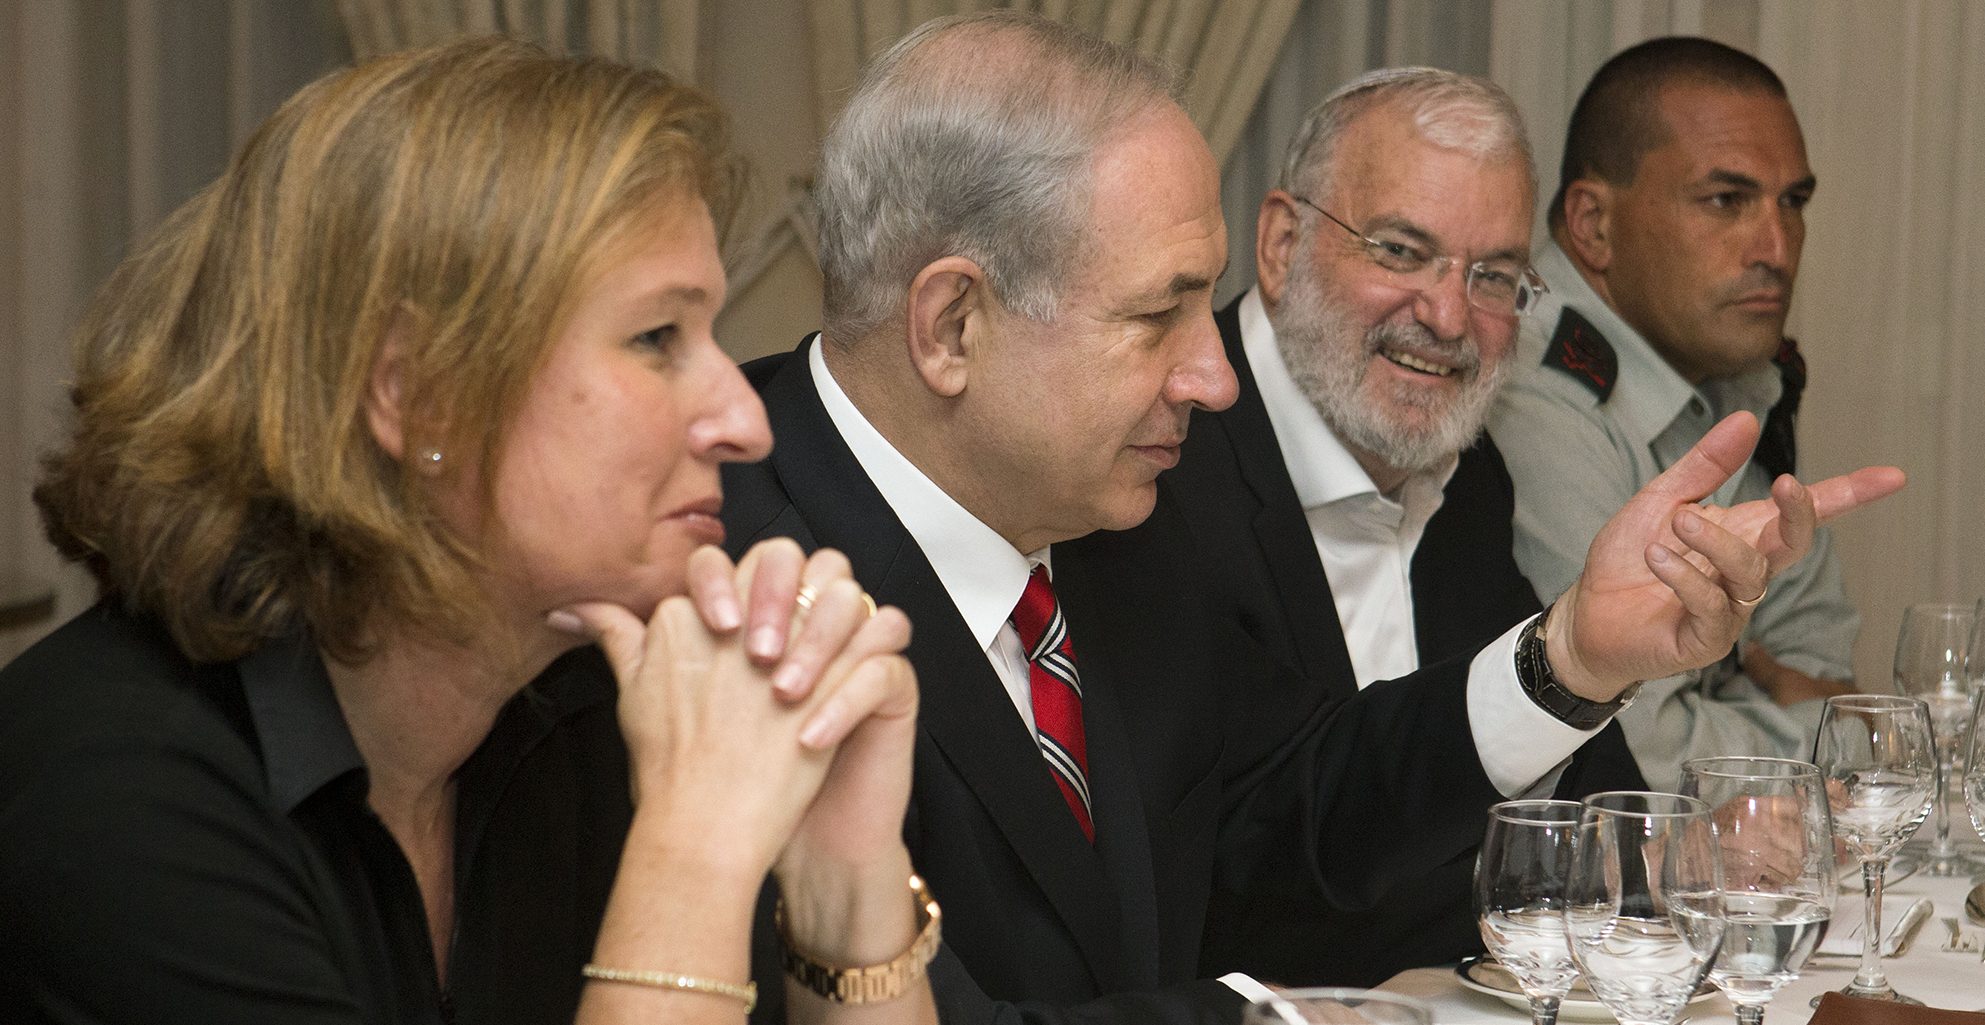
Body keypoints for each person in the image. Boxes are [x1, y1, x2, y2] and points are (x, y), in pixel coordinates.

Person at [719, 11, 1900, 1023]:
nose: (1214, 375)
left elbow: (1289, 810)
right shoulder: (722, 583)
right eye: (1157, 316)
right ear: (949, 328)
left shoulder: (1108, 519)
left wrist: (1574, 652)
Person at [0, 39, 934, 1025]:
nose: (744, 421)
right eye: (657, 337)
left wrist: (843, 879)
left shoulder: (594, 706)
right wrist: (697, 839)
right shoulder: (111, 796)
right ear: (417, 395)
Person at [1168, 68, 1645, 987]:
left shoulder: (1463, 470)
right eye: (1398, 250)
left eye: (1493, 276)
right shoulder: (1164, 465)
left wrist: (1678, 851)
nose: (1447, 316)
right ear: (1279, 243)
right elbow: (1249, 882)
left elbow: (1582, 809)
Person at [1488, 36, 1859, 790]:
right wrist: (1818, 729)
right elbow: (1631, 758)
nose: (1776, 246)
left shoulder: (1728, 364)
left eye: (1792, 202)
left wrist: (1736, 709)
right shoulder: (1528, 381)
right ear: (1591, 223)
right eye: (1726, 200)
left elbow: (1822, 660)